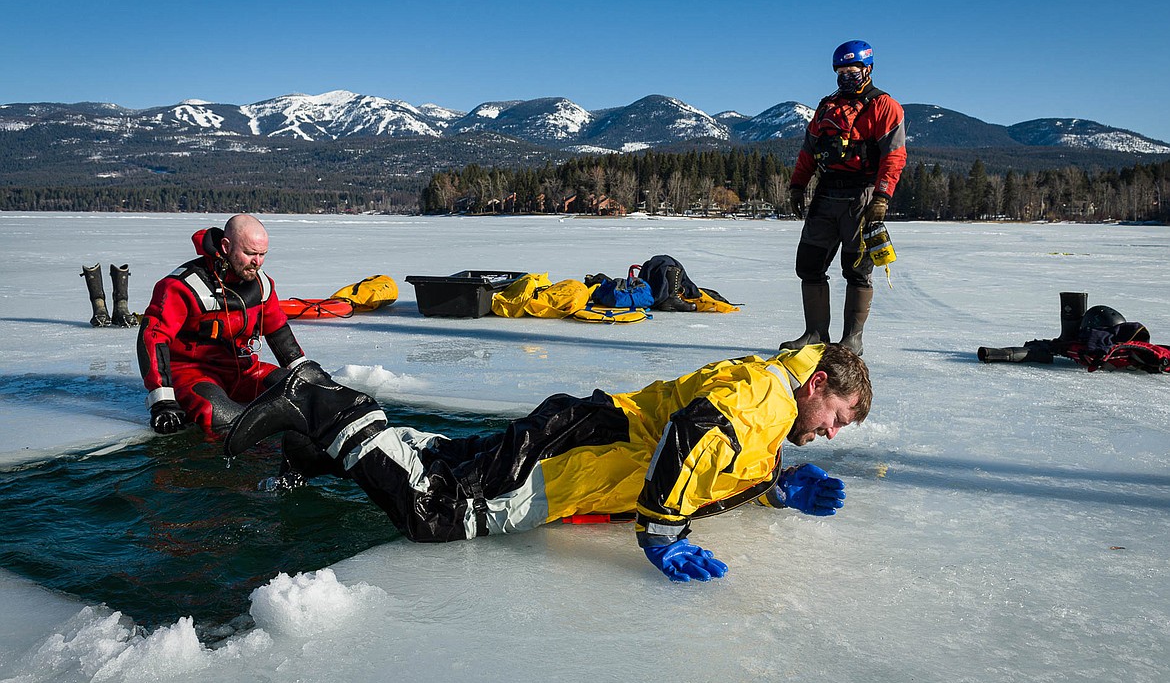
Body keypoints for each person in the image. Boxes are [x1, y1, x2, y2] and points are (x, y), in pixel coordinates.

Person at [223, 343, 871, 583]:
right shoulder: (763, 398)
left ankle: (314, 446)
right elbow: (694, 433)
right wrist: (663, 529)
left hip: (581, 434)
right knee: (436, 513)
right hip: (579, 457)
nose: (834, 433)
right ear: (818, 387)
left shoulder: (773, 399)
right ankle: (323, 404)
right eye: (838, 417)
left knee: (451, 463)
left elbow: (723, 457)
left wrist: (776, 485)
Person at [781, 40, 907, 356]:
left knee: (857, 269)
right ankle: (815, 334)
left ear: (868, 69)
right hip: (826, 192)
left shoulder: (884, 106)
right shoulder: (827, 106)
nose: (846, 76)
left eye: (852, 70)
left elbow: (894, 155)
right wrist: (798, 185)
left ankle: (852, 339)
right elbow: (809, 150)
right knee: (808, 264)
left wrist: (882, 197)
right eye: (841, 71)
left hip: (862, 195)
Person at [137, 214, 307, 439]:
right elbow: (153, 338)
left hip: (244, 371)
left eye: (262, 254)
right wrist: (162, 401)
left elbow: (277, 329)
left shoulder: (262, 284)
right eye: (249, 254)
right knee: (222, 417)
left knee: (303, 392)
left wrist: (305, 372)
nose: (257, 262)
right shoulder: (181, 286)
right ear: (226, 246)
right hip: (193, 376)